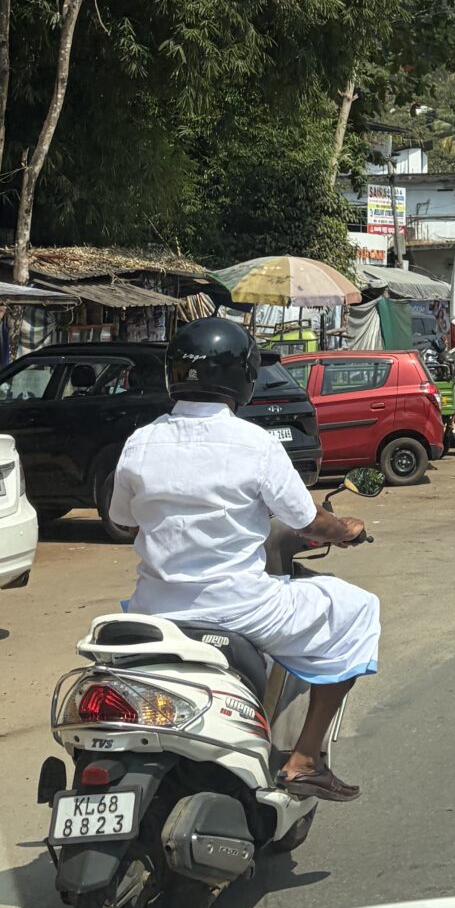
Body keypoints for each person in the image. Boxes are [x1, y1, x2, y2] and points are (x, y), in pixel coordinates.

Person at [106, 315, 380, 803]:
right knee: (357, 608)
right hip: (239, 609)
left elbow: (124, 521)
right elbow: (307, 522)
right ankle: (304, 760)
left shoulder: (139, 442)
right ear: (244, 377)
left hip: (153, 610)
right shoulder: (256, 444)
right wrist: (347, 531)